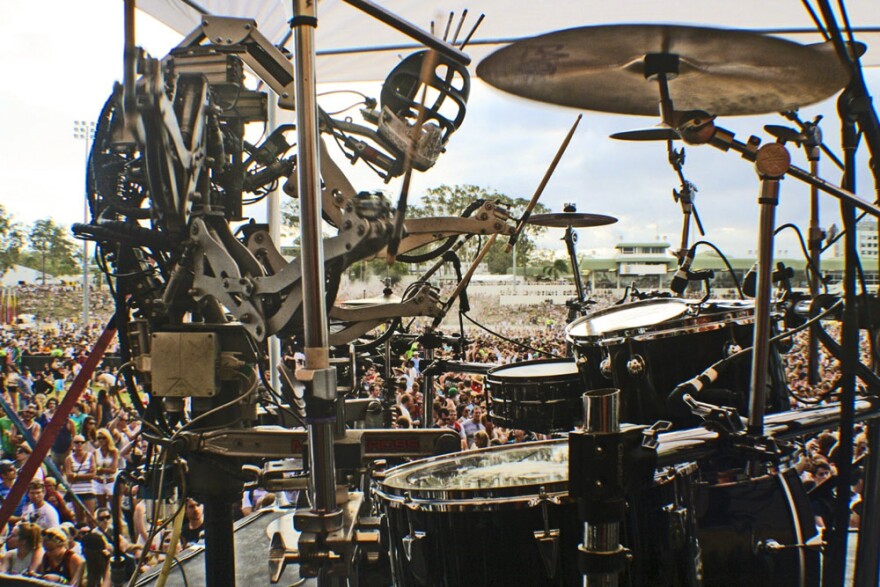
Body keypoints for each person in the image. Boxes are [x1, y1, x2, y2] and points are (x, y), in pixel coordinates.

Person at [64, 435, 97, 524]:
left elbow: (93, 475)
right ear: (73, 444)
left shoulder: (90, 456)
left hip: (88, 490)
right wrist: (86, 474)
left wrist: (75, 475)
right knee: (79, 520)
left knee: (91, 519)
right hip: (76, 492)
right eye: (77, 442)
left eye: (82, 442)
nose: (79, 444)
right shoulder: (69, 458)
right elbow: (68, 476)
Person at [93, 429, 119, 509]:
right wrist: (102, 470)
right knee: (102, 508)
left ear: (108, 438)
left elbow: (113, 469)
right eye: (99, 438)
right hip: (99, 482)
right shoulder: (95, 452)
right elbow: (94, 469)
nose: (101, 440)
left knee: (114, 507)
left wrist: (100, 469)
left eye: (104, 438)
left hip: (110, 482)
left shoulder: (114, 451)